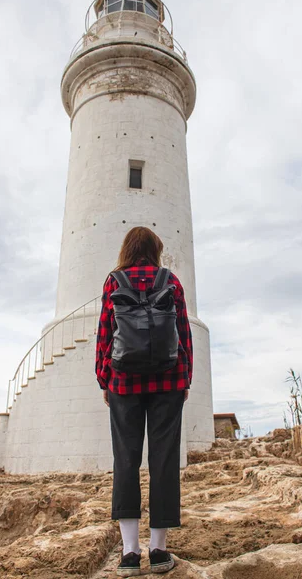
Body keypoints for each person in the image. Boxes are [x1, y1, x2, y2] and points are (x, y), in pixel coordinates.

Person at [95, 226, 193, 577]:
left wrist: (103, 379)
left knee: (126, 461)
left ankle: (129, 552)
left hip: (123, 381)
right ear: (155, 249)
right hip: (168, 379)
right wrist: (186, 378)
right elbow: (183, 330)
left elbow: (105, 332)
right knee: (164, 461)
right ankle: (159, 550)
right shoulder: (172, 280)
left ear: (126, 248)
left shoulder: (114, 281)